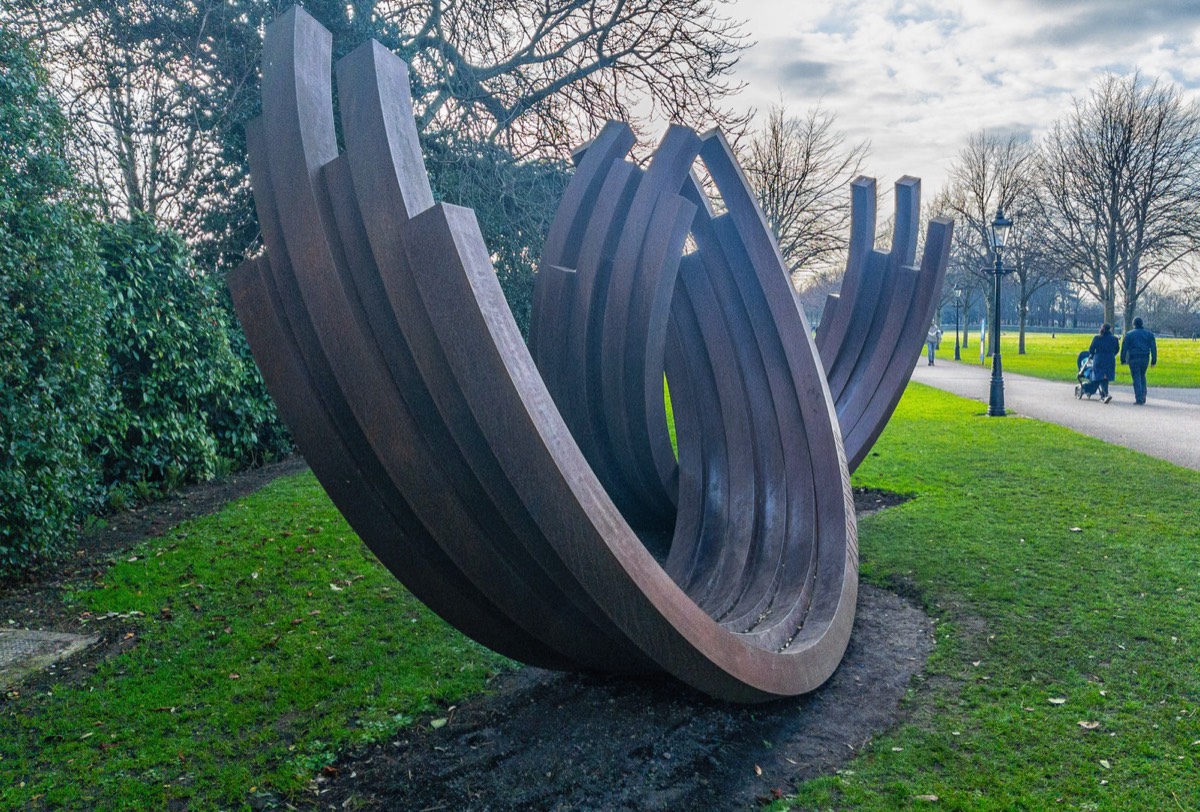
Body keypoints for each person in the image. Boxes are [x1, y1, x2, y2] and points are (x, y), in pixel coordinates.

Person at [1120, 316, 1158, 405]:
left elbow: (1124, 348)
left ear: (1134, 324)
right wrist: (1153, 360)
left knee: (1136, 377)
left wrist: (1123, 359)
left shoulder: (1129, 334)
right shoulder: (1149, 334)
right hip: (1145, 357)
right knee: (1142, 375)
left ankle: (1139, 398)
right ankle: (1143, 394)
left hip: (1133, 358)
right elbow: (1153, 348)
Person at [1088, 323, 1120, 403]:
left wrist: (1093, 355)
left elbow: (1091, 349)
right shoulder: (1115, 339)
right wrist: (1112, 355)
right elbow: (1117, 349)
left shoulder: (1097, 338)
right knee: (1106, 377)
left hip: (1099, 358)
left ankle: (1106, 394)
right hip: (1110, 359)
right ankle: (1103, 394)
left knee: (1100, 376)